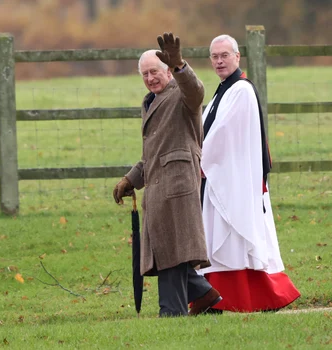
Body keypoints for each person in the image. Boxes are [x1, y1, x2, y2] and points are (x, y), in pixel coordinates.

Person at [112, 33, 221, 317]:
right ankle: (203, 293)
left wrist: (180, 65)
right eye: (145, 74)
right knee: (168, 248)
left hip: (178, 184)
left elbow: (197, 91)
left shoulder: (182, 96)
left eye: (155, 72)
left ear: (167, 72)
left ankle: (171, 312)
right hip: (158, 187)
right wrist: (131, 179)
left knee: (173, 248)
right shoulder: (149, 102)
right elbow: (154, 152)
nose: (150, 78)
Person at [198, 34, 300, 313]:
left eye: (224, 55)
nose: (219, 61)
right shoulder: (223, 89)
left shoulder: (241, 90)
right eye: (215, 57)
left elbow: (222, 134)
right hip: (222, 177)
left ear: (237, 57)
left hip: (233, 179)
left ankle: (240, 298)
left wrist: (200, 160)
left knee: (235, 233)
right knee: (223, 234)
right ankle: (218, 298)